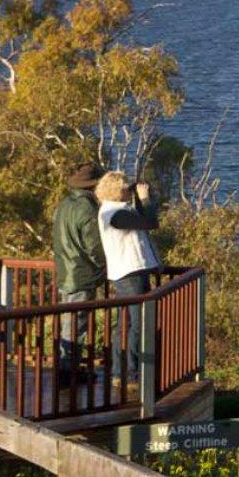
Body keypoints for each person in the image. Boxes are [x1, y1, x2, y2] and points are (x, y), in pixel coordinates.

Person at [51, 161, 106, 377]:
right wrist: (104, 268)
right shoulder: (88, 209)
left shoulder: (64, 205)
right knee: (76, 326)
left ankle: (67, 368)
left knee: (69, 322)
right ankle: (68, 371)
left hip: (65, 271)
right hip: (81, 274)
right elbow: (94, 247)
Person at [95, 170, 161, 296]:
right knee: (138, 313)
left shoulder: (116, 210)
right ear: (118, 190)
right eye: (127, 188)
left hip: (131, 271)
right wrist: (145, 199)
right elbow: (151, 223)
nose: (129, 191)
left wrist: (137, 198)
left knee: (130, 314)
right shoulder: (115, 213)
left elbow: (143, 220)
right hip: (130, 273)